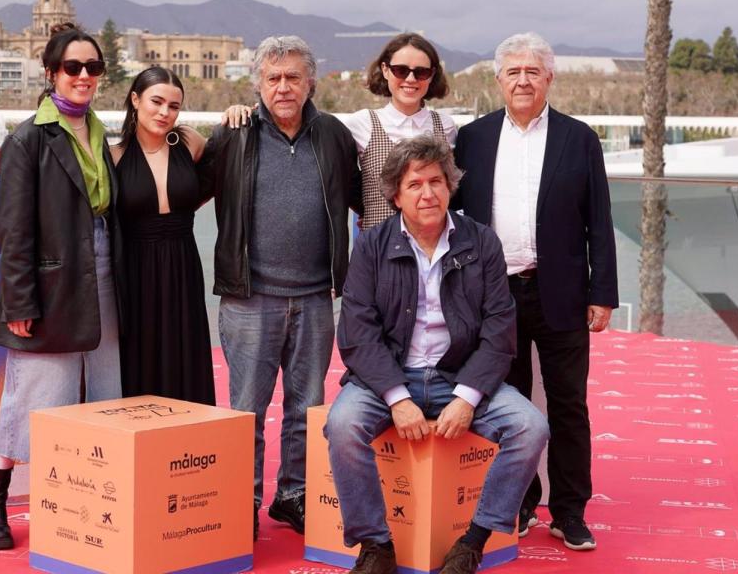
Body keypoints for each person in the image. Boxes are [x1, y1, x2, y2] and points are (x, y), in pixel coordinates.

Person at [325, 135, 548, 574]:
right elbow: (356, 333)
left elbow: (500, 329)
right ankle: (376, 546)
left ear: (450, 186)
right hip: (389, 376)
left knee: (531, 426)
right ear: (395, 194)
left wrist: (467, 398)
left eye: (436, 182)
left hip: (459, 374)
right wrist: (397, 397)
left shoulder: (481, 242)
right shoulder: (371, 245)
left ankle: (474, 541)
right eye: (415, 185)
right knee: (343, 424)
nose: (428, 193)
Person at [451, 32, 618, 551]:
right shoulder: (472, 138)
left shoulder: (579, 138)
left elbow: (599, 221)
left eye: (533, 71)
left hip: (562, 292)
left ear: (549, 78)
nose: (522, 80)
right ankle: (519, 504)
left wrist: (603, 292)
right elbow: (452, 216)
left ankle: (570, 511)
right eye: (513, 71)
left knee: (569, 405)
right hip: (493, 296)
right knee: (507, 402)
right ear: (499, 79)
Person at [198, 35, 362, 540]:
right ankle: (241, 501)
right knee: (245, 410)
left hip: (316, 297)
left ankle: (292, 496)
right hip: (249, 298)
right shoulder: (234, 134)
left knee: (305, 408)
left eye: (293, 77)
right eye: (273, 78)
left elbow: (363, 201)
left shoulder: (334, 135)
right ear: (259, 86)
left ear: (310, 81)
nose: (284, 87)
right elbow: (184, 189)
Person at [0, 22, 122, 550]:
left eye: (93, 67)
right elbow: (13, 229)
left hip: (104, 269)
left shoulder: (99, 131)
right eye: (73, 67)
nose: (83, 76)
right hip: (52, 279)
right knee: (36, 391)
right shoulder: (26, 138)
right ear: (51, 73)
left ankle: (92, 500)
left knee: (103, 387)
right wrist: (20, 300)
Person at [224, 32, 456, 231]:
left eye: (421, 72)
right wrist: (248, 112)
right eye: (401, 70)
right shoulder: (358, 125)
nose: (410, 79)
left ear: (432, 74)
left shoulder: (447, 128)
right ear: (385, 70)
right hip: (378, 254)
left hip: (436, 249)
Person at [111, 67, 214, 405]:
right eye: (156, 102)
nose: (164, 113)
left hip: (184, 264)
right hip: (135, 271)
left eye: (174, 106)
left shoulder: (189, 141)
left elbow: (224, 173)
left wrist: (236, 114)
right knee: (140, 356)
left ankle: (190, 444)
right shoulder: (114, 156)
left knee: (185, 351)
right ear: (135, 99)